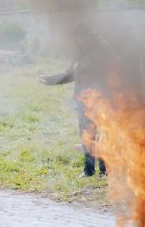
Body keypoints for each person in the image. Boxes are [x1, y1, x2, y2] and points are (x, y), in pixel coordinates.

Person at [39, 24, 109, 178]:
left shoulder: (100, 51)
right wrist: (50, 80)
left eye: (78, 38)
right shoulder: (79, 54)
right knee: (86, 134)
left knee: (101, 135)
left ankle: (104, 170)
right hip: (81, 101)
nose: (76, 42)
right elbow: (69, 74)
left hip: (98, 100)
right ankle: (89, 170)